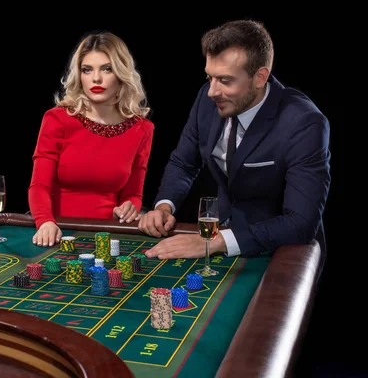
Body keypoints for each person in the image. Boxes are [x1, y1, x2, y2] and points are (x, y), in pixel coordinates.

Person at [138, 19, 331, 273]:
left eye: (225, 80)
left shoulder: (304, 122)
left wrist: (214, 242)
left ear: (260, 77)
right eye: (209, 77)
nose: (211, 91)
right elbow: (183, 163)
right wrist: (164, 206)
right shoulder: (207, 99)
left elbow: (301, 223)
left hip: (281, 252)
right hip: (225, 244)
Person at [28, 31, 155, 247]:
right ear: (79, 75)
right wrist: (45, 222)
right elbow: (39, 186)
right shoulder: (57, 119)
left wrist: (129, 206)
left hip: (108, 234)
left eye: (107, 69)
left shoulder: (142, 129)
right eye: (87, 70)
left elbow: (133, 193)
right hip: (56, 231)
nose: (96, 78)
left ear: (122, 73)